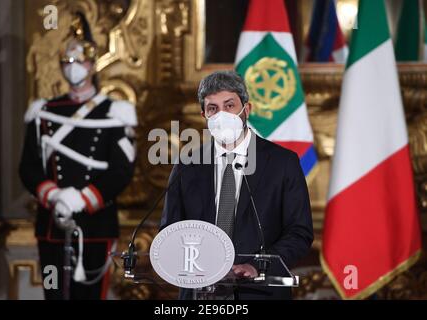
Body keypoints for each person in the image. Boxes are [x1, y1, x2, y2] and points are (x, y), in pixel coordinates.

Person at [160, 70, 313, 300]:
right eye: (213, 108)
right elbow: (170, 232)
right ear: (204, 114)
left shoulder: (283, 162)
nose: (222, 114)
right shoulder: (186, 165)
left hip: (261, 291)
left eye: (229, 105)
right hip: (201, 295)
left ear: (246, 109)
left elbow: (299, 232)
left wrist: (257, 266)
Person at [19, 13, 137, 300]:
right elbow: (29, 167)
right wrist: (54, 196)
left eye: (79, 62)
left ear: (92, 64)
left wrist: (83, 198)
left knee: (90, 295)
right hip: (52, 223)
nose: (73, 68)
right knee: (53, 293)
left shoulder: (114, 112)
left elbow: (121, 171)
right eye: (67, 63)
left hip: (95, 224)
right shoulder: (44, 111)